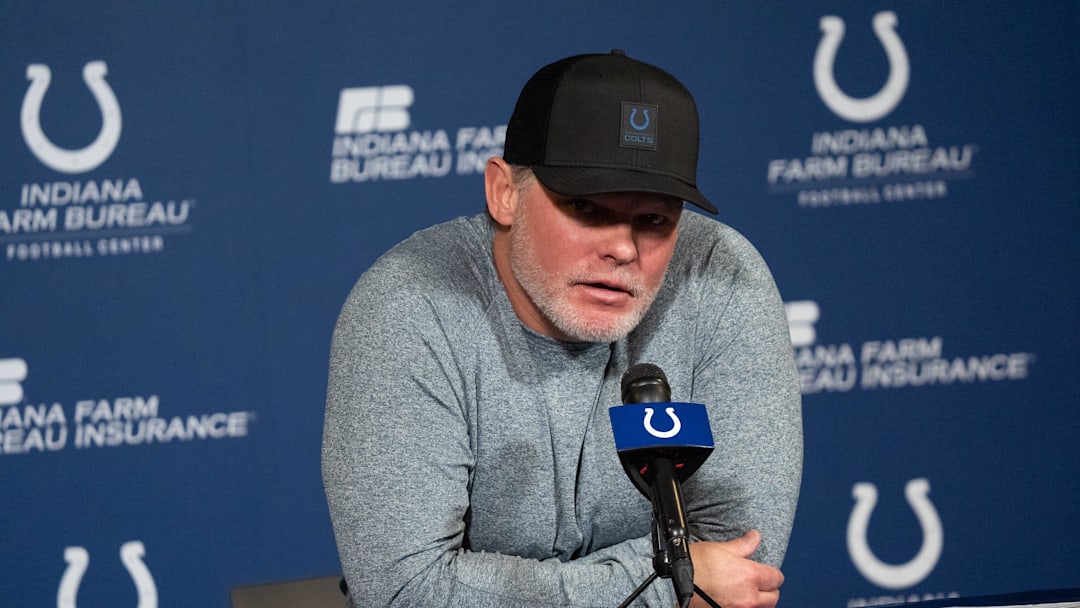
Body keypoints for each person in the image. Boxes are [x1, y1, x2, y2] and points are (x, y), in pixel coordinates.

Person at [322, 50, 802, 608]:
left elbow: (740, 569)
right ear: (504, 192)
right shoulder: (409, 305)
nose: (623, 248)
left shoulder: (722, 280)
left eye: (653, 220)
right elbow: (407, 591)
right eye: (587, 208)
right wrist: (660, 586)